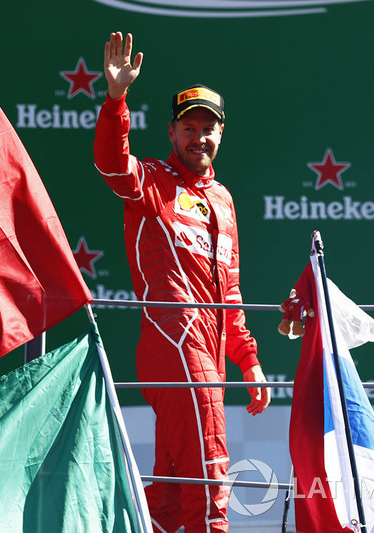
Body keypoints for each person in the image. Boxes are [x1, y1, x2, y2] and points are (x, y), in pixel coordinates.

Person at [93, 32, 270, 532]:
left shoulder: (225, 199)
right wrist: (115, 99)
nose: (200, 138)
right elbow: (110, 163)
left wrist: (250, 362)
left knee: (171, 498)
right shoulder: (151, 181)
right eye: (189, 128)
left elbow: (229, 292)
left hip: (211, 355)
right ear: (171, 133)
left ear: (221, 136)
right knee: (210, 478)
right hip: (173, 345)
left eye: (208, 129)